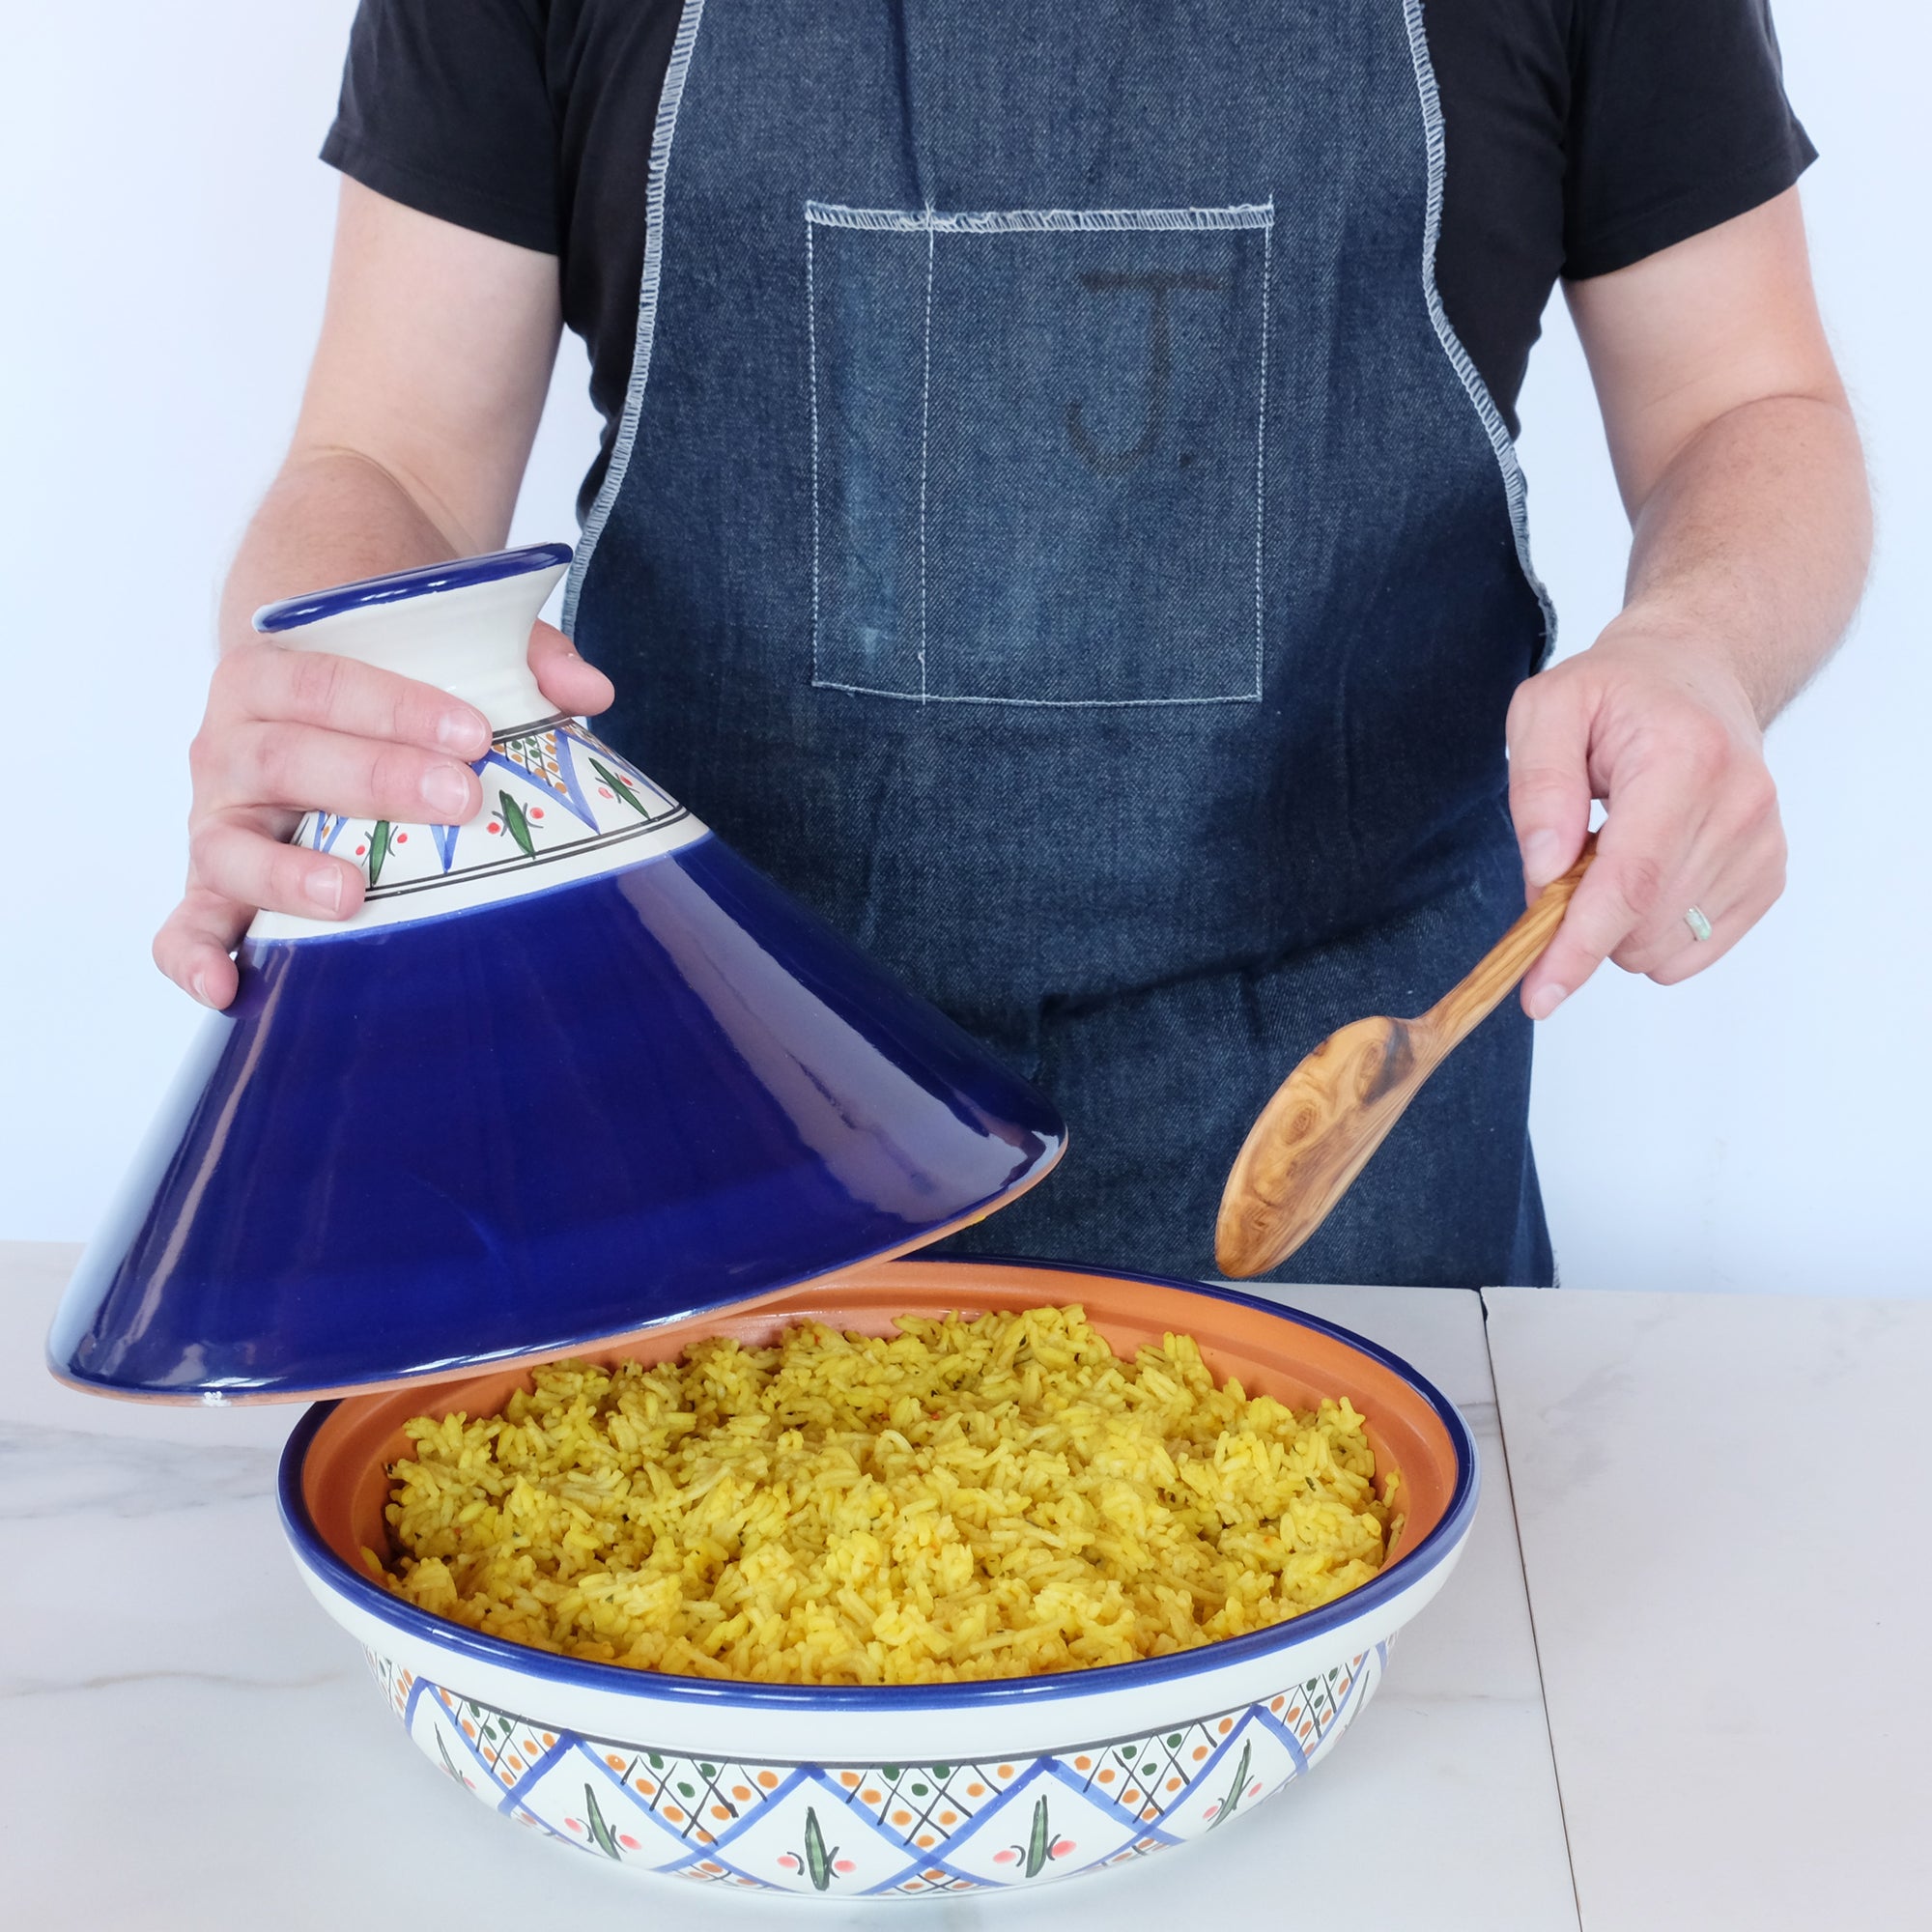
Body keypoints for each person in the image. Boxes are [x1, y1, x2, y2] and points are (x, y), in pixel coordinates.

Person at [153, 0, 1869, 1287]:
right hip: (709, 1130)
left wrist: (1702, 644)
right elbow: (383, 457)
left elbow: (1750, 400)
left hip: (1345, 1153)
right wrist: (326, 683)